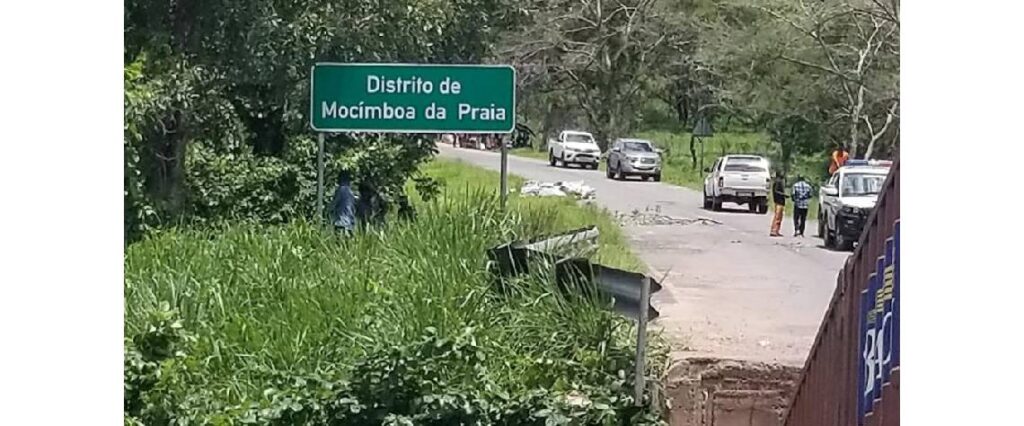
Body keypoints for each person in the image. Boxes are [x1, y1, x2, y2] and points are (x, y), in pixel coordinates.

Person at [330, 170, 357, 234]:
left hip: (340, 222)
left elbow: (334, 204)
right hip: (349, 222)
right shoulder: (350, 192)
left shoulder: (340, 190)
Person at [769, 171, 786, 237]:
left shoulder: (780, 181)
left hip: (781, 202)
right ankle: (773, 231)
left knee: (780, 217)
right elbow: (776, 191)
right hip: (778, 201)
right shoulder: (777, 182)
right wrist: (783, 194)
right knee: (777, 216)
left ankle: (777, 231)